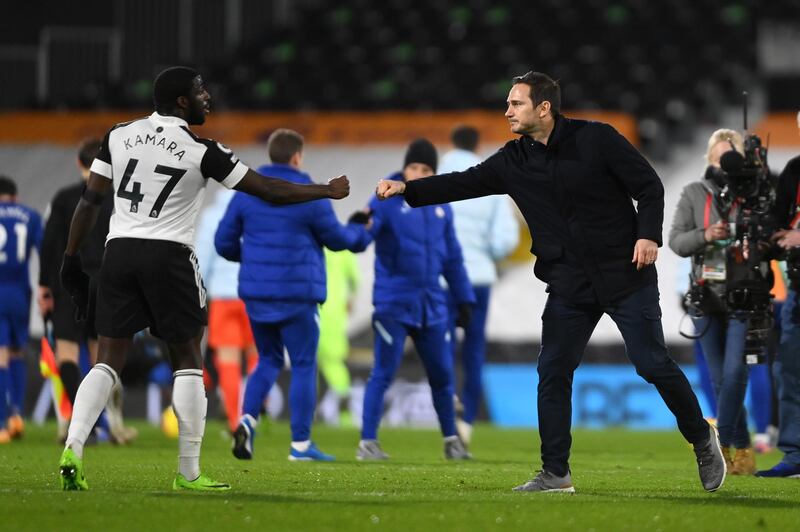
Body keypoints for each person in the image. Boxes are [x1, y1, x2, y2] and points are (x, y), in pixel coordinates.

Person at [376, 71, 725, 492]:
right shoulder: (512, 160)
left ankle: (702, 438)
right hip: (569, 284)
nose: (507, 111)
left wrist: (647, 234)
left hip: (624, 273)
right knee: (553, 369)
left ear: (544, 108)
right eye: (507, 104)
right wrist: (407, 189)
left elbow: (649, 186)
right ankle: (556, 473)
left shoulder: (597, 139)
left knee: (650, 362)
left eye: (515, 103)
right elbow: (462, 182)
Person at [57, 66, 350, 491]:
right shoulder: (201, 150)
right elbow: (270, 190)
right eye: (199, 91)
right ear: (181, 101)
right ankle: (189, 473)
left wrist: (70, 259)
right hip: (169, 256)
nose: (207, 97)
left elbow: (90, 201)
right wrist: (324, 190)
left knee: (107, 358)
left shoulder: (118, 134)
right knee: (189, 358)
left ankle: (74, 446)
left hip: (117, 252)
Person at [215, 128, 363, 462]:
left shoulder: (245, 193)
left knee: (266, 359)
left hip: (257, 293)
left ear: (271, 156)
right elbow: (338, 240)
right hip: (298, 293)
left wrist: (254, 260)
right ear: (297, 157)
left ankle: (247, 420)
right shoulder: (309, 195)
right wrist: (361, 232)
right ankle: (300, 446)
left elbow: (223, 243)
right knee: (302, 363)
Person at [352, 138, 475, 461]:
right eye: (414, 168)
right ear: (405, 169)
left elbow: (453, 258)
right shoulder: (385, 199)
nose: (418, 174)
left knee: (442, 373)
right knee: (383, 371)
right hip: (394, 301)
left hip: (432, 303)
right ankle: (367, 442)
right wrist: (354, 232)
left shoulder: (441, 206)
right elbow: (363, 235)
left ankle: (452, 440)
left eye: (425, 169)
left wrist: (464, 299)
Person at [668, 129, 760, 475]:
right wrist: (707, 235)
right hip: (706, 296)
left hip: (744, 295)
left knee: (735, 373)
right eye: (720, 157)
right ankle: (742, 448)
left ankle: (716, 437)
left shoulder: (754, 193)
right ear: (709, 159)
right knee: (722, 378)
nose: (725, 163)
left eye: (731, 156)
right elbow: (676, 240)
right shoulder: (694, 193)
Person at [38, 138, 136, 445]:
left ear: (79, 163)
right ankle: (109, 425)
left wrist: (44, 285)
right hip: (106, 283)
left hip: (69, 282)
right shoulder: (119, 199)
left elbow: (50, 245)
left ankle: (84, 426)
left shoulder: (65, 198)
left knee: (65, 352)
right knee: (102, 359)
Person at [439, 125, 519, 445]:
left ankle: (446, 409)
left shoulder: (436, 176)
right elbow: (506, 240)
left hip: (442, 279)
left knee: (441, 346)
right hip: (479, 278)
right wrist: (483, 250)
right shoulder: (491, 180)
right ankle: (467, 421)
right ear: (476, 146)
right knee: (473, 350)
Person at [195, 188, 257, 434]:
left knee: (228, 359)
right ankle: (253, 411)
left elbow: (202, 257)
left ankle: (235, 421)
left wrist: (202, 290)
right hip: (252, 293)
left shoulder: (212, 216)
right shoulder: (253, 211)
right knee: (257, 355)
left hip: (222, 296)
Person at [759, 109, 800, 478]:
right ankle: (795, 455)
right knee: (790, 370)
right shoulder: (794, 171)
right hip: (798, 292)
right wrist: (771, 237)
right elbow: (777, 219)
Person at [0, 176, 42, 443]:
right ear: (15, 196)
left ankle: (2, 423)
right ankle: (16, 414)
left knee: (0, 356)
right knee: (16, 352)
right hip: (20, 293)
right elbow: (45, 251)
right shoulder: (31, 216)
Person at [316, 248, 360, 426]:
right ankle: (344, 412)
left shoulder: (310, 240)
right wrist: (350, 299)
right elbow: (355, 281)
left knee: (307, 363)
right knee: (334, 363)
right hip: (334, 313)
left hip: (311, 307)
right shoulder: (343, 246)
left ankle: (310, 413)